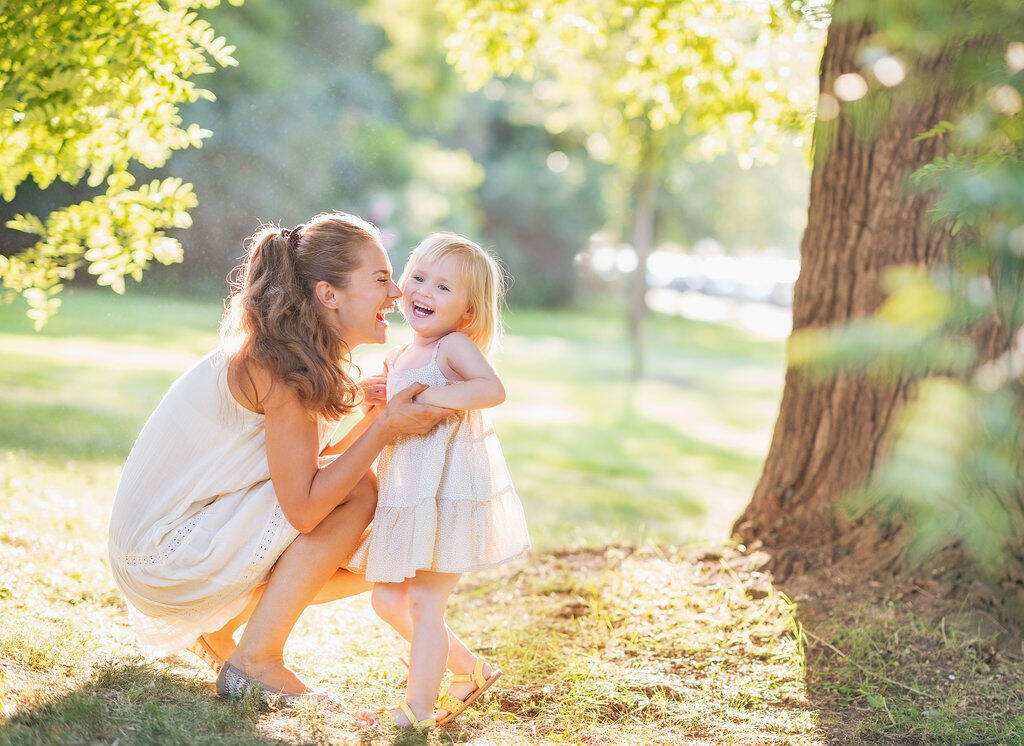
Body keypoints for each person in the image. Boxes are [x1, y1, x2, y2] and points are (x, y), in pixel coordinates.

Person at [107, 212, 450, 703]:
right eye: (380, 279)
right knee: (360, 493)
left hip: (163, 543)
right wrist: (384, 427)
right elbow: (306, 508)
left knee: (387, 539)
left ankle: (227, 631)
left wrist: (371, 414)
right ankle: (257, 660)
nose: (395, 293)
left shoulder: (296, 354)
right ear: (328, 295)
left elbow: (305, 461)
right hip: (161, 555)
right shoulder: (280, 367)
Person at [348, 232, 531, 729]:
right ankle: (471, 670)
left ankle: (418, 711)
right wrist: (380, 395)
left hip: (448, 493)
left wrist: (429, 398)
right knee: (387, 600)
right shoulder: (402, 351)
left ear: (467, 312)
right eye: (420, 278)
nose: (425, 292)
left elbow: (491, 389)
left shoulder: (452, 345)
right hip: (409, 492)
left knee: (426, 602)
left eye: (444, 287)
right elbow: (396, 410)